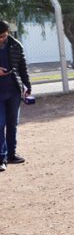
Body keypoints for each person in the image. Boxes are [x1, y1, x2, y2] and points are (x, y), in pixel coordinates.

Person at [0, 20, 31, 172]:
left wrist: (27, 85)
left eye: (4, 35)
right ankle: (1, 158)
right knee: (0, 124)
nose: (1, 39)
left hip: (13, 91)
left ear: (8, 32)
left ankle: (11, 154)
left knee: (12, 124)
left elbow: (22, 66)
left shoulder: (16, 45)